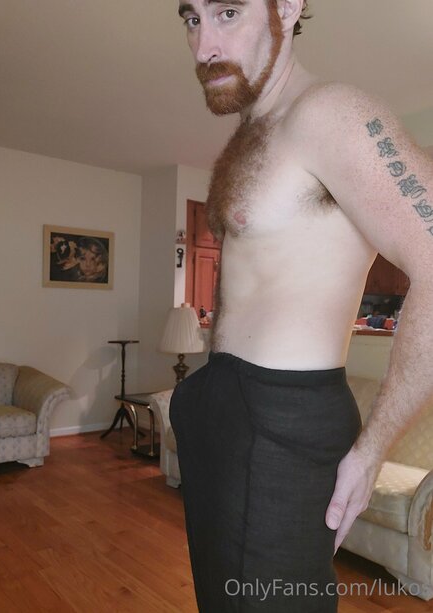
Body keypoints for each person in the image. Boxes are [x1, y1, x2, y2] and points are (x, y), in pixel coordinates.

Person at [169, 1, 433, 611]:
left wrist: (373, 449)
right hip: (225, 406)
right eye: (191, 19)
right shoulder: (257, 129)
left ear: (287, 7)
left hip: (281, 419)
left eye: (227, 11)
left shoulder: (333, 114)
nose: (204, 47)